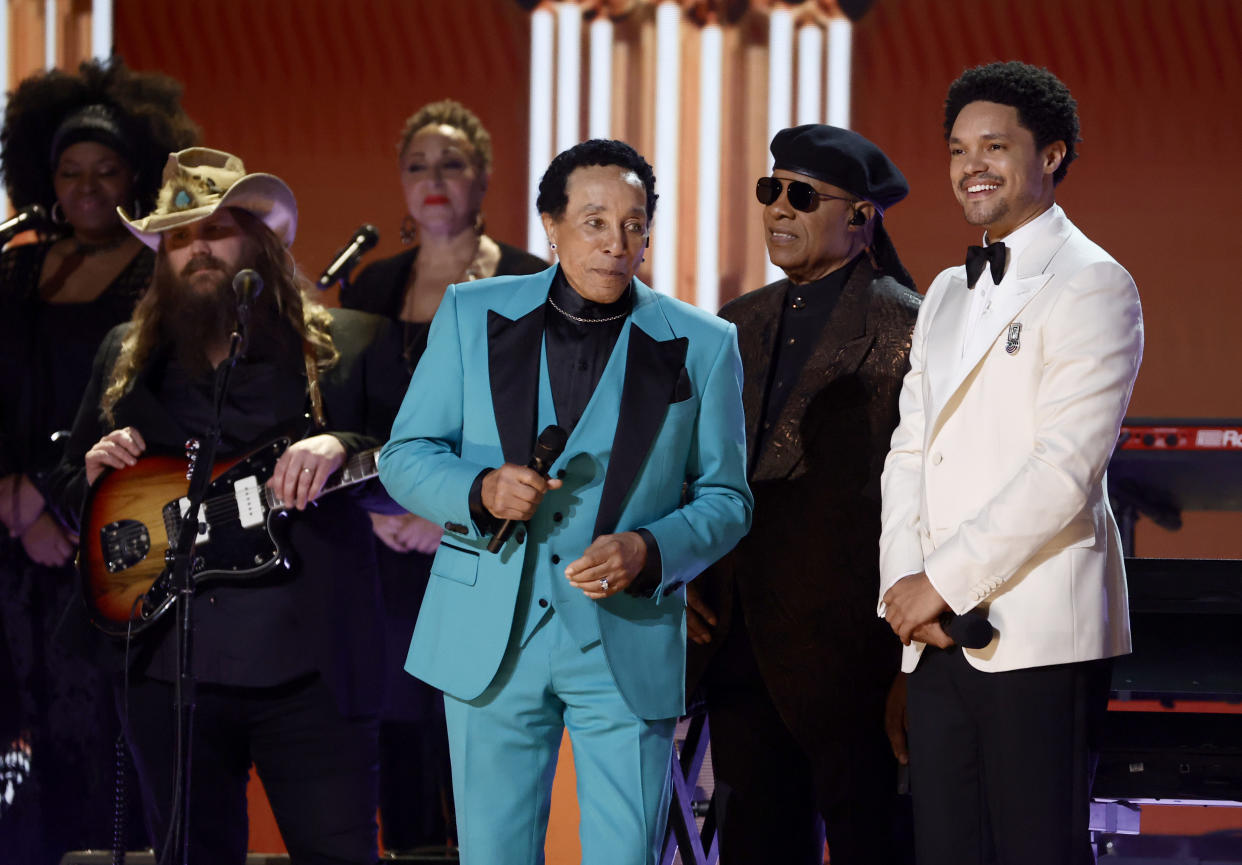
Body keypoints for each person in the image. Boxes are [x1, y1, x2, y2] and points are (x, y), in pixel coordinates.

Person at [378, 138, 753, 865]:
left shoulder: (704, 344)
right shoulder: (470, 313)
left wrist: (651, 550)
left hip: (626, 635)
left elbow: (727, 498)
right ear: (549, 224)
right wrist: (479, 490)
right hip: (491, 635)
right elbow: (404, 455)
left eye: (634, 224)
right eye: (593, 221)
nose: (617, 243)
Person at [44, 147, 406, 864]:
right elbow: (68, 493)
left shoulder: (352, 345)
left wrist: (344, 445)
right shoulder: (127, 355)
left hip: (313, 673)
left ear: (259, 243)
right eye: (177, 238)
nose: (196, 249)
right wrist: (86, 476)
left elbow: (417, 474)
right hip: (166, 672)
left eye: (215, 230)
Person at [878, 61, 1143, 865]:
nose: (972, 167)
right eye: (959, 150)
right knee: (944, 849)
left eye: (995, 145)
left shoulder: (1096, 283)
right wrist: (905, 597)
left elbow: (1064, 470)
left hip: (1038, 629)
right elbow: (909, 450)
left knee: (1035, 849)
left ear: (1052, 154)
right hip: (933, 629)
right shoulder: (946, 295)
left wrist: (945, 580)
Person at [686, 125, 920, 865]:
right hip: (736, 644)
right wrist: (679, 568)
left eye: (802, 195)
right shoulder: (734, 322)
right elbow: (694, 467)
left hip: (854, 658)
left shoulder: (908, 326)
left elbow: (926, 495)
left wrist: (911, 663)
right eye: (771, 190)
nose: (778, 208)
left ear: (861, 216)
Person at [0, 57, 198, 864]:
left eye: (106, 170)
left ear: (137, 175)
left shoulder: (160, 277)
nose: (85, 186)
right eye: (70, 170)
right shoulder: (12, 270)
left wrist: (60, 504)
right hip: (10, 546)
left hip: (113, 536)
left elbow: (155, 410)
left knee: (107, 743)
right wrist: (10, 496)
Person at [340, 98, 545, 853]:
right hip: (380, 551)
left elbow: (533, 423)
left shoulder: (528, 280)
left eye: (452, 164)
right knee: (395, 746)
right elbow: (347, 419)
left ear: (485, 180)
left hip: (480, 545)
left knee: (474, 745)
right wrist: (379, 512)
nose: (434, 179)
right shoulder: (367, 288)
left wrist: (446, 513)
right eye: (417, 165)